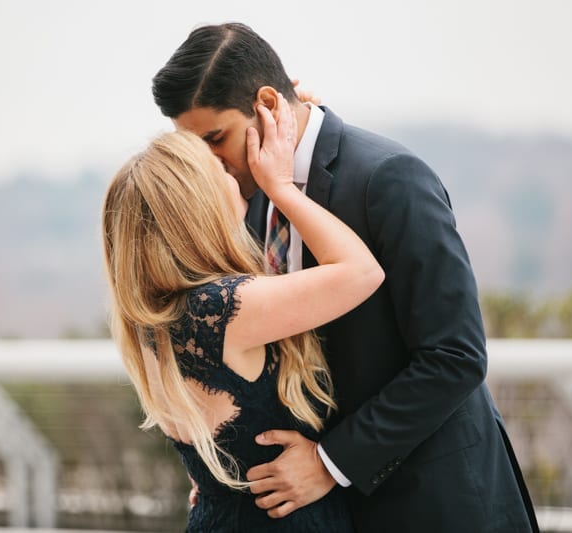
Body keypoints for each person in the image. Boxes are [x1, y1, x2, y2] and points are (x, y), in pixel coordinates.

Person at [152, 22, 539, 532]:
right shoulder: (240, 201)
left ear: (267, 103)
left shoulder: (389, 177)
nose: (209, 163)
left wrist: (330, 462)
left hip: (437, 502)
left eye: (215, 139)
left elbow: (456, 355)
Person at [102, 94, 383, 531]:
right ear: (198, 205)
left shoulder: (149, 317)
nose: (234, 173)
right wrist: (282, 188)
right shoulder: (221, 308)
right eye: (218, 172)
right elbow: (362, 272)